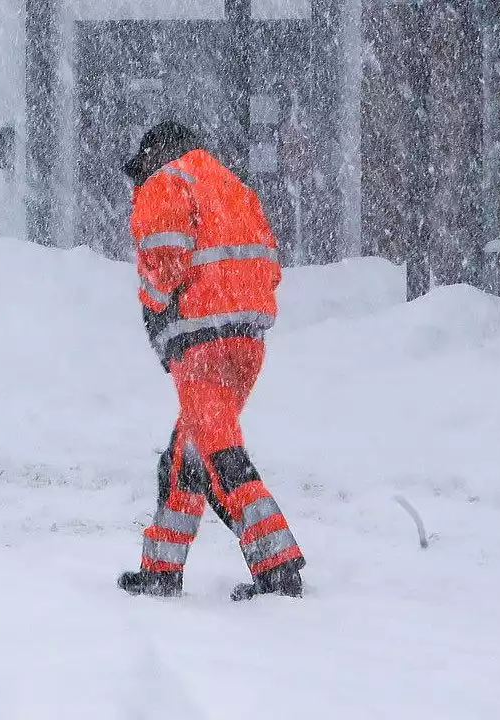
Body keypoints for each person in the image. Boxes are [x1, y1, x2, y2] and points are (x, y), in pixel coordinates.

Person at [116, 120, 306, 601]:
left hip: (201, 341)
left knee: (221, 458)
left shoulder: (166, 181)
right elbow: (270, 264)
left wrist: (155, 311)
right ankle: (161, 567)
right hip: (247, 341)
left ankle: (278, 566)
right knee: (188, 454)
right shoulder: (232, 184)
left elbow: (164, 263)